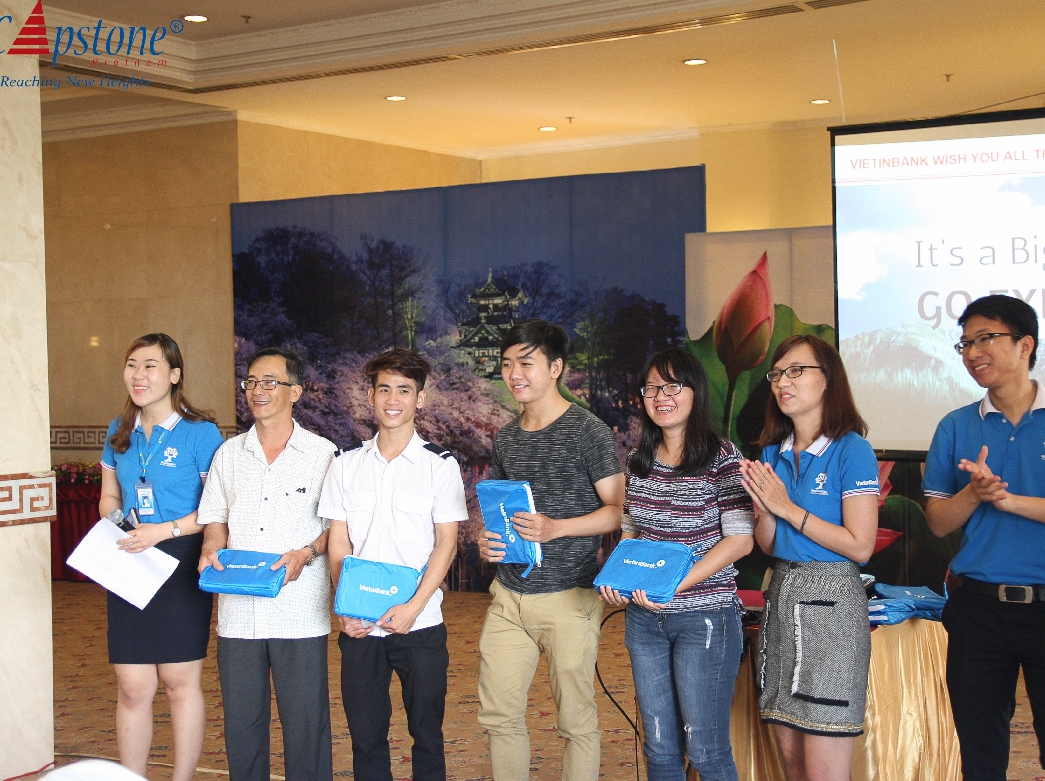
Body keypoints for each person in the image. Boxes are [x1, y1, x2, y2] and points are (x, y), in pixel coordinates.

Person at [922, 295, 1045, 781]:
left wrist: (1009, 501)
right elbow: (939, 522)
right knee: (980, 755)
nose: (972, 353)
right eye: (965, 344)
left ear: (1025, 344)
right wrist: (974, 493)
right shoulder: (956, 425)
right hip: (977, 608)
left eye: (985, 339)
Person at [476, 319, 625, 781]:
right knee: (499, 718)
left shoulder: (587, 431)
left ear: (556, 367)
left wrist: (557, 528)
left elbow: (617, 511)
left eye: (526, 363)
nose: (514, 374)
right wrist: (490, 541)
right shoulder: (506, 437)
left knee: (576, 722)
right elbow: (505, 511)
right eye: (507, 364)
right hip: (508, 597)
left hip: (569, 598)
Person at [598, 347, 754, 781]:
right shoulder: (638, 460)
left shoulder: (723, 457)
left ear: (695, 391)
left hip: (705, 618)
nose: (660, 397)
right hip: (644, 619)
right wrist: (618, 578)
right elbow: (631, 532)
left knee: (706, 751)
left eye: (672, 386)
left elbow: (740, 540)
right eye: (651, 388)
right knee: (660, 749)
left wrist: (673, 584)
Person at [318, 349, 468, 781]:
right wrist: (345, 607)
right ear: (371, 396)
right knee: (365, 737)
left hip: (420, 625)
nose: (393, 399)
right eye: (384, 389)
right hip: (360, 626)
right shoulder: (345, 464)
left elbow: (446, 544)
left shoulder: (440, 466)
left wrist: (414, 607)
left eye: (404, 390)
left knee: (427, 734)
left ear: (420, 399)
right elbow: (339, 541)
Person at [738, 335, 880, 781]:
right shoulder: (771, 452)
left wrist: (785, 507)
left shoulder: (852, 449)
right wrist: (764, 511)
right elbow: (768, 544)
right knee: (794, 764)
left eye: (796, 371)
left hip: (833, 602)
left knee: (823, 766)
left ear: (828, 380)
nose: (783, 382)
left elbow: (860, 545)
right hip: (782, 595)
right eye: (777, 373)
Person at [196, 347, 336, 781]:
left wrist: (306, 554)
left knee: (306, 725)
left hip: (299, 609)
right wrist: (210, 549)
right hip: (238, 611)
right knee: (242, 725)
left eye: (270, 382)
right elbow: (215, 521)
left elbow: (338, 529)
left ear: (295, 392)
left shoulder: (323, 454)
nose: (258, 390)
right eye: (251, 382)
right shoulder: (229, 453)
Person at [98, 333, 224, 781]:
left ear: (174, 375)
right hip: (131, 556)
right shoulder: (118, 430)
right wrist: (119, 522)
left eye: (150, 365)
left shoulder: (200, 433)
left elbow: (216, 508)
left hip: (181, 559)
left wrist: (163, 531)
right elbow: (109, 497)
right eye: (132, 364)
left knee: (177, 682)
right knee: (133, 686)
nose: (138, 375)